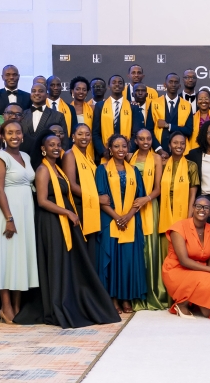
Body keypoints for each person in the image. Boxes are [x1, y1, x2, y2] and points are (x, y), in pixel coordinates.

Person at [32, 135, 120, 327]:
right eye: (51, 145)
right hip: (50, 220)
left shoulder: (57, 169)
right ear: (43, 149)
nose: (56, 148)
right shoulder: (42, 170)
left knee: (65, 261)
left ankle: (69, 300)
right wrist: (68, 212)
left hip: (61, 219)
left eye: (57, 145)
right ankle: (56, 304)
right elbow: (42, 200)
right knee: (57, 262)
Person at [0, 121, 38, 323]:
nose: (14, 135)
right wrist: (9, 218)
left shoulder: (25, 156)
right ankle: (5, 307)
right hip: (6, 213)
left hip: (24, 212)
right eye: (9, 132)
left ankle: (17, 306)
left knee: (18, 258)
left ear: (23, 136)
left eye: (17, 131)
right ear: (4, 136)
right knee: (6, 258)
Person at [96, 134, 148, 314]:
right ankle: (113, 299)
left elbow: (140, 198)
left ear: (128, 149)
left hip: (131, 220)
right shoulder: (102, 169)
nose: (120, 150)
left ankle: (126, 298)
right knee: (113, 260)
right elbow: (101, 198)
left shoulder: (134, 170)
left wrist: (128, 216)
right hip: (110, 220)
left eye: (124, 146)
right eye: (116, 146)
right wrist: (117, 217)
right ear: (109, 149)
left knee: (127, 260)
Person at [162, 196, 210, 319]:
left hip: (200, 271)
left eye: (206, 207)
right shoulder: (179, 228)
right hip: (177, 270)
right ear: (193, 208)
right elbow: (183, 260)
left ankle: (196, 301)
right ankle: (182, 304)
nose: (202, 209)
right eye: (198, 206)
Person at [128, 129, 168, 311]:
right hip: (132, 207)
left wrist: (146, 199)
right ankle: (136, 293)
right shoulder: (130, 157)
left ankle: (152, 293)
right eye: (141, 138)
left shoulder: (157, 158)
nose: (145, 141)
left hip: (150, 206)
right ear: (136, 140)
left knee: (150, 249)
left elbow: (159, 188)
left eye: (149, 139)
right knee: (136, 250)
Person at [62, 124, 102, 241]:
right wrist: (97, 199)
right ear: (73, 136)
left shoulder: (88, 157)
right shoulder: (69, 155)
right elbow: (72, 185)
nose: (84, 137)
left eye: (87, 134)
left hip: (90, 203)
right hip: (79, 204)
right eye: (80, 134)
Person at [92, 75, 144, 160]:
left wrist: (126, 151)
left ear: (124, 87)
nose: (117, 85)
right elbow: (96, 133)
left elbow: (135, 134)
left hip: (127, 155)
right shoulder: (100, 106)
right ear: (109, 86)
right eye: (114, 82)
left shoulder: (133, 107)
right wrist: (103, 152)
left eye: (120, 83)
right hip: (105, 155)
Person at [158, 132, 199, 234]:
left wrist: (189, 217)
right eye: (175, 143)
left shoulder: (192, 166)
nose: (179, 146)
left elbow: (193, 195)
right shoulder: (162, 164)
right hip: (164, 209)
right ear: (169, 145)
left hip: (183, 210)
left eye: (182, 143)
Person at [22, 82, 63, 169]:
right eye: (34, 91)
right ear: (30, 94)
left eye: (40, 91)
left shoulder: (58, 115)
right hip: (24, 162)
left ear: (47, 95)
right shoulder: (22, 114)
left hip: (48, 163)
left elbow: (64, 141)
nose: (36, 93)